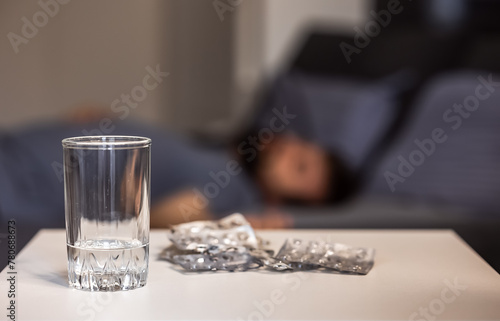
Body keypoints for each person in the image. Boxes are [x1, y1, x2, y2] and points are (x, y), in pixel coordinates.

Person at [0, 106, 351, 230]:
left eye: (300, 166)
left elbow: (165, 218)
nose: (289, 147)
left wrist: (226, 231)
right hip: (17, 150)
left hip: (20, 184)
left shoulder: (234, 188)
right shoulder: (219, 153)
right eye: (297, 144)